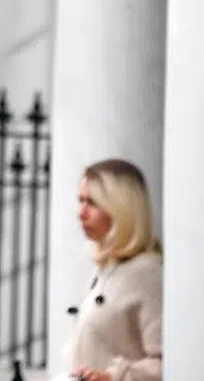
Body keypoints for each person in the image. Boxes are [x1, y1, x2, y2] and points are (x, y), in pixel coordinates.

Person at [61, 158, 162, 381]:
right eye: (80, 201)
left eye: (92, 203)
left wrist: (112, 376)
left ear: (121, 208)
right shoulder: (107, 268)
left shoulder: (148, 273)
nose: (81, 213)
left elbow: (167, 364)